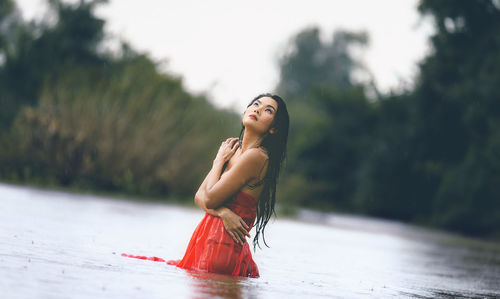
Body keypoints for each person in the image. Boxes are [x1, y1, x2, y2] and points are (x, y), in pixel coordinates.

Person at [123, 93, 289, 278]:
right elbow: (199, 196)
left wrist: (218, 161)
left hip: (221, 249)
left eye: (268, 110)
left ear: (273, 128)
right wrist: (223, 212)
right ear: (246, 111)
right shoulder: (233, 152)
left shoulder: (256, 157)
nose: (257, 109)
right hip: (207, 243)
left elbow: (208, 199)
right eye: (255, 104)